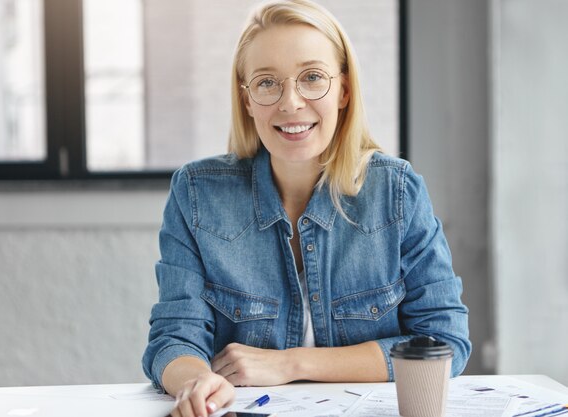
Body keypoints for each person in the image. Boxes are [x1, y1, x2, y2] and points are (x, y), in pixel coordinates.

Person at [142, 1, 471, 416]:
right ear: (246, 100)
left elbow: (444, 343)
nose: (290, 102)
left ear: (344, 90)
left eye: (312, 77)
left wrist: (291, 363)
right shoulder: (196, 193)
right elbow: (174, 337)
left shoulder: (397, 191)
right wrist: (196, 382)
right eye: (266, 83)